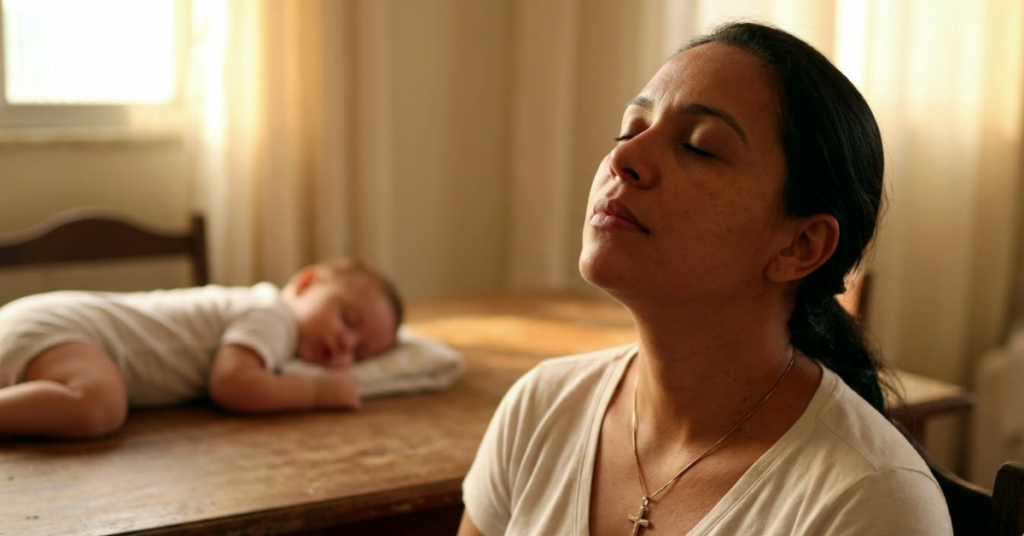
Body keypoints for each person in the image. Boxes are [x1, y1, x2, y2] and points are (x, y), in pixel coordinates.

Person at [459, 22, 953, 535]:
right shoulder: (542, 407)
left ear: (799, 245)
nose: (623, 158)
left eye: (699, 146)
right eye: (630, 129)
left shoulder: (869, 500)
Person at [0, 257, 403, 439]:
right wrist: (317, 392)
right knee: (100, 405)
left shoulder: (262, 315)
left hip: (50, 323)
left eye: (362, 351)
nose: (346, 344)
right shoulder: (271, 316)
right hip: (69, 328)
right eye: (348, 320)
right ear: (305, 283)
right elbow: (233, 382)